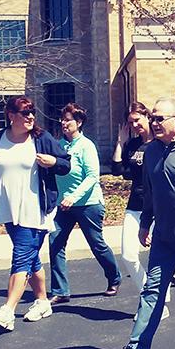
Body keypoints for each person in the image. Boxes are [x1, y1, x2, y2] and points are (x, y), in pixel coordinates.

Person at [108, 97, 175, 349]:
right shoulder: (150, 152)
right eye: (154, 118)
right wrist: (145, 223)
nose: (155, 122)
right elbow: (150, 192)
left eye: (161, 118)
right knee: (151, 292)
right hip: (163, 237)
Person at [0, 96, 71, 331]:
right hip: (9, 209)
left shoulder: (41, 138)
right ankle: (41, 301)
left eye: (32, 113)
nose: (30, 117)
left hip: (36, 210)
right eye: (24, 113)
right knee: (31, 257)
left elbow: (65, 164)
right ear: (11, 116)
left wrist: (53, 161)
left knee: (21, 256)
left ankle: (8, 311)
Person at [47, 103, 122, 303]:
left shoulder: (86, 146)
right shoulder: (59, 145)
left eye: (68, 120)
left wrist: (74, 197)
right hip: (64, 205)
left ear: (78, 123)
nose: (63, 123)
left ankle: (114, 277)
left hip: (88, 203)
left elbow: (92, 177)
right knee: (55, 243)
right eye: (62, 119)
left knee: (96, 244)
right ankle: (60, 290)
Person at [111, 102, 166, 314]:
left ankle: (155, 304)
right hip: (135, 205)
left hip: (158, 207)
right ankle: (152, 298)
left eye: (138, 120)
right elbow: (118, 170)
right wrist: (120, 143)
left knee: (158, 259)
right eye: (130, 121)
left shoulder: (160, 143)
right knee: (128, 255)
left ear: (147, 117)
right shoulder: (133, 145)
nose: (134, 125)